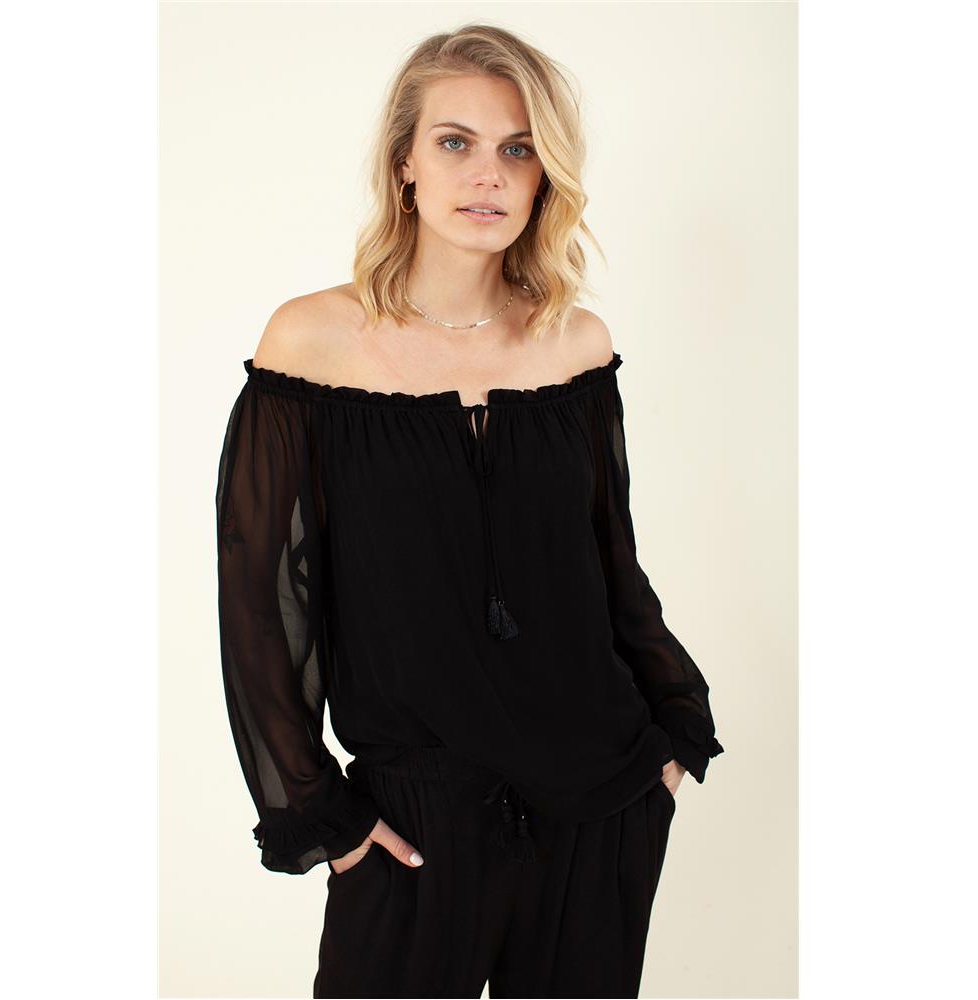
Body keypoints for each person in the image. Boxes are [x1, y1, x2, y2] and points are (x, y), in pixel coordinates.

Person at [215, 23, 724, 999]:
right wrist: (318, 810)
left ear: (544, 176)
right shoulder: (311, 344)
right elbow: (261, 604)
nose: (488, 174)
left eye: (518, 148)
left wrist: (673, 730)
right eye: (455, 142)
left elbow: (609, 565)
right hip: (411, 819)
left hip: (601, 799)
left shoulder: (575, 344)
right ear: (404, 163)